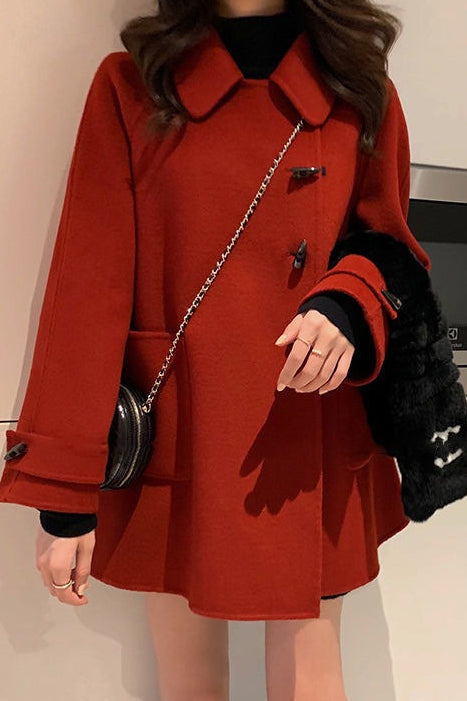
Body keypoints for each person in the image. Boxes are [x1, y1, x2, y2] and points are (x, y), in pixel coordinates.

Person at [0, 0, 431, 699]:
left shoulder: (356, 82)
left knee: (311, 683)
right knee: (190, 687)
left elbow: (392, 245)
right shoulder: (135, 84)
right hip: (184, 428)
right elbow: (88, 284)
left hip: (314, 431)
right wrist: (64, 490)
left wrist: (347, 303)